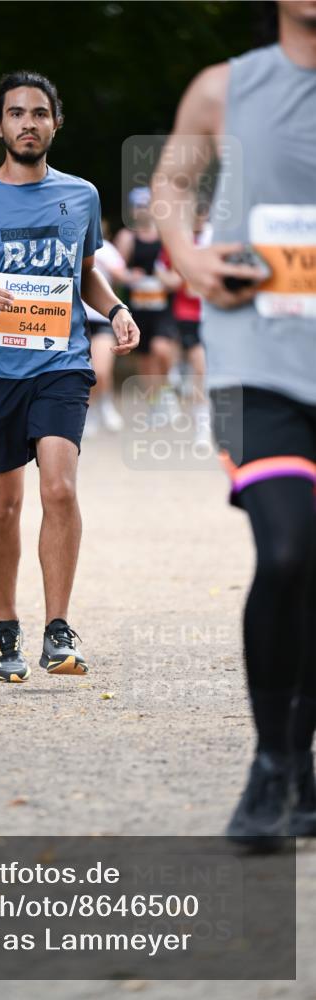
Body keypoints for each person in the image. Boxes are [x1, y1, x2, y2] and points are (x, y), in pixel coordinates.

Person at [153, 0, 316, 843]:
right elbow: (172, 184)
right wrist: (185, 254)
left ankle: (303, 768)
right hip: (258, 358)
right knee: (286, 548)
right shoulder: (222, 89)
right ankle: (271, 766)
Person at [0, 70, 139, 682]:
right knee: (2, 505)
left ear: (54, 122)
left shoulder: (81, 196)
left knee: (61, 490)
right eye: (15, 113)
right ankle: (5, 623)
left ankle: (58, 629)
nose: (28, 123)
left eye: (39, 113)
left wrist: (117, 309)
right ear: (0, 125)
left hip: (62, 362)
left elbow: (86, 271)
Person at [115, 186, 180, 426]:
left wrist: (168, 280)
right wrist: (129, 276)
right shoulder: (127, 237)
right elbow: (116, 271)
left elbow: (178, 273)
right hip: (137, 306)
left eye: (147, 205)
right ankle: (156, 402)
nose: (143, 210)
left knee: (161, 349)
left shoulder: (166, 236)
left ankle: (168, 389)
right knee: (144, 360)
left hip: (163, 306)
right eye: (139, 206)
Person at [155, 205, 212, 447]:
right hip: (185, 312)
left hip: (213, 312)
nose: (199, 219)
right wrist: (175, 281)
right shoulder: (179, 241)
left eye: (202, 214)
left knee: (202, 369)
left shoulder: (216, 239)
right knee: (198, 365)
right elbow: (162, 270)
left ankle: (202, 422)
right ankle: (201, 424)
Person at [81, 219, 127, 437]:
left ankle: (105, 403)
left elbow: (121, 275)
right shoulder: (69, 245)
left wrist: (99, 264)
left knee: (101, 369)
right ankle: (88, 412)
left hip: (101, 318)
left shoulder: (107, 250)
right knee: (85, 371)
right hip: (74, 318)